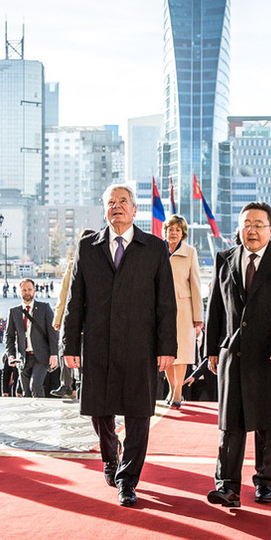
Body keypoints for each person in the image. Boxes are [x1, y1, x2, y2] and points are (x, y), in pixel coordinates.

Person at [61, 183, 177, 508]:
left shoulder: (154, 248)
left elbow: (166, 302)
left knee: (139, 413)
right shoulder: (88, 248)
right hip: (98, 344)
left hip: (141, 346)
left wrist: (167, 346)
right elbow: (75, 301)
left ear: (134, 209)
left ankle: (128, 480)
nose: (117, 207)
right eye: (111, 202)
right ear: (104, 209)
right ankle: (110, 456)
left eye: (123, 201)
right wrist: (69, 345)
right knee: (100, 409)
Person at [205, 202, 271, 508]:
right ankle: (228, 487)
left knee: (266, 424)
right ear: (240, 228)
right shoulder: (225, 259)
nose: (252, 230)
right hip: (233, 353)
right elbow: (216, 308)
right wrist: (212, 350)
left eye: (259, 224)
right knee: (230, 425)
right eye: (247, 224)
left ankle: (264, 482)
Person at [162, 215, 203, 410]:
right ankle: (173, 388)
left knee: (182, 353)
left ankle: (178, 392)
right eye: (171, 229)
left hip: (184, 309)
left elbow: (195, 286)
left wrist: (198, 318)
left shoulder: (190, 253)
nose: (174, 233)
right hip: (161, 308)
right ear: (166, 231)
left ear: (183, 233)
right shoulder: (157, 251)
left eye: (178, 230)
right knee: (165, 351)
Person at [50, 229, 95, 399]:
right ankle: (65, 385)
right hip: (72, 314)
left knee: (86, 352)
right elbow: (64, 294)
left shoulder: (101, 263)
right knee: (65, 347)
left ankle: (83, 386)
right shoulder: (72, 264)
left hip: (91, 316)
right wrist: (58, 317)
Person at [5, 278, 58, 398]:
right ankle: (29, 415)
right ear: (20, 291)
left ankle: (40, 413)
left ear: (34, 290)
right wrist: (11, 355)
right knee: (26, 392)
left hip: (41, 357)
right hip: (23, 358)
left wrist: (54, 354)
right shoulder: (14, 311)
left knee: (35, 386)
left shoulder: (44, 308)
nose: (27, 292)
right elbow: (9, 336)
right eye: (24, 290)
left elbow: (53, 333)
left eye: (29, 290)